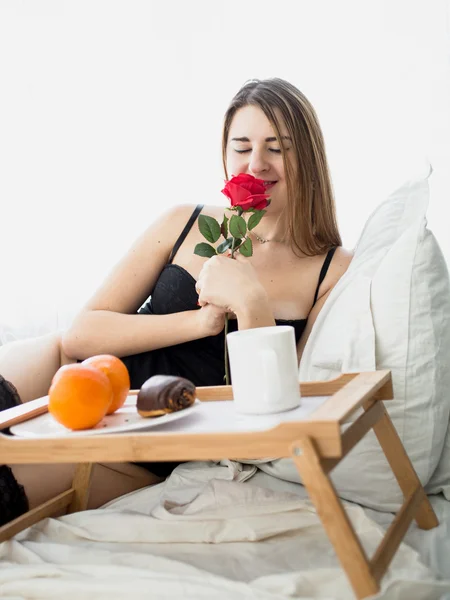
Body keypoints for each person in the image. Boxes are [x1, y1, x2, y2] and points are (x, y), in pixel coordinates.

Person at [0, 77, 352, 525]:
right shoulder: (184, 222)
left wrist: (249, 300)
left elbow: (282, 405)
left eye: (277, 148)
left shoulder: (333, 269)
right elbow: (81, 336)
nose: (256, 163)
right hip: (75, 373)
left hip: (143, 446)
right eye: (241, 147)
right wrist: (199, 323)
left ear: (309, 157)